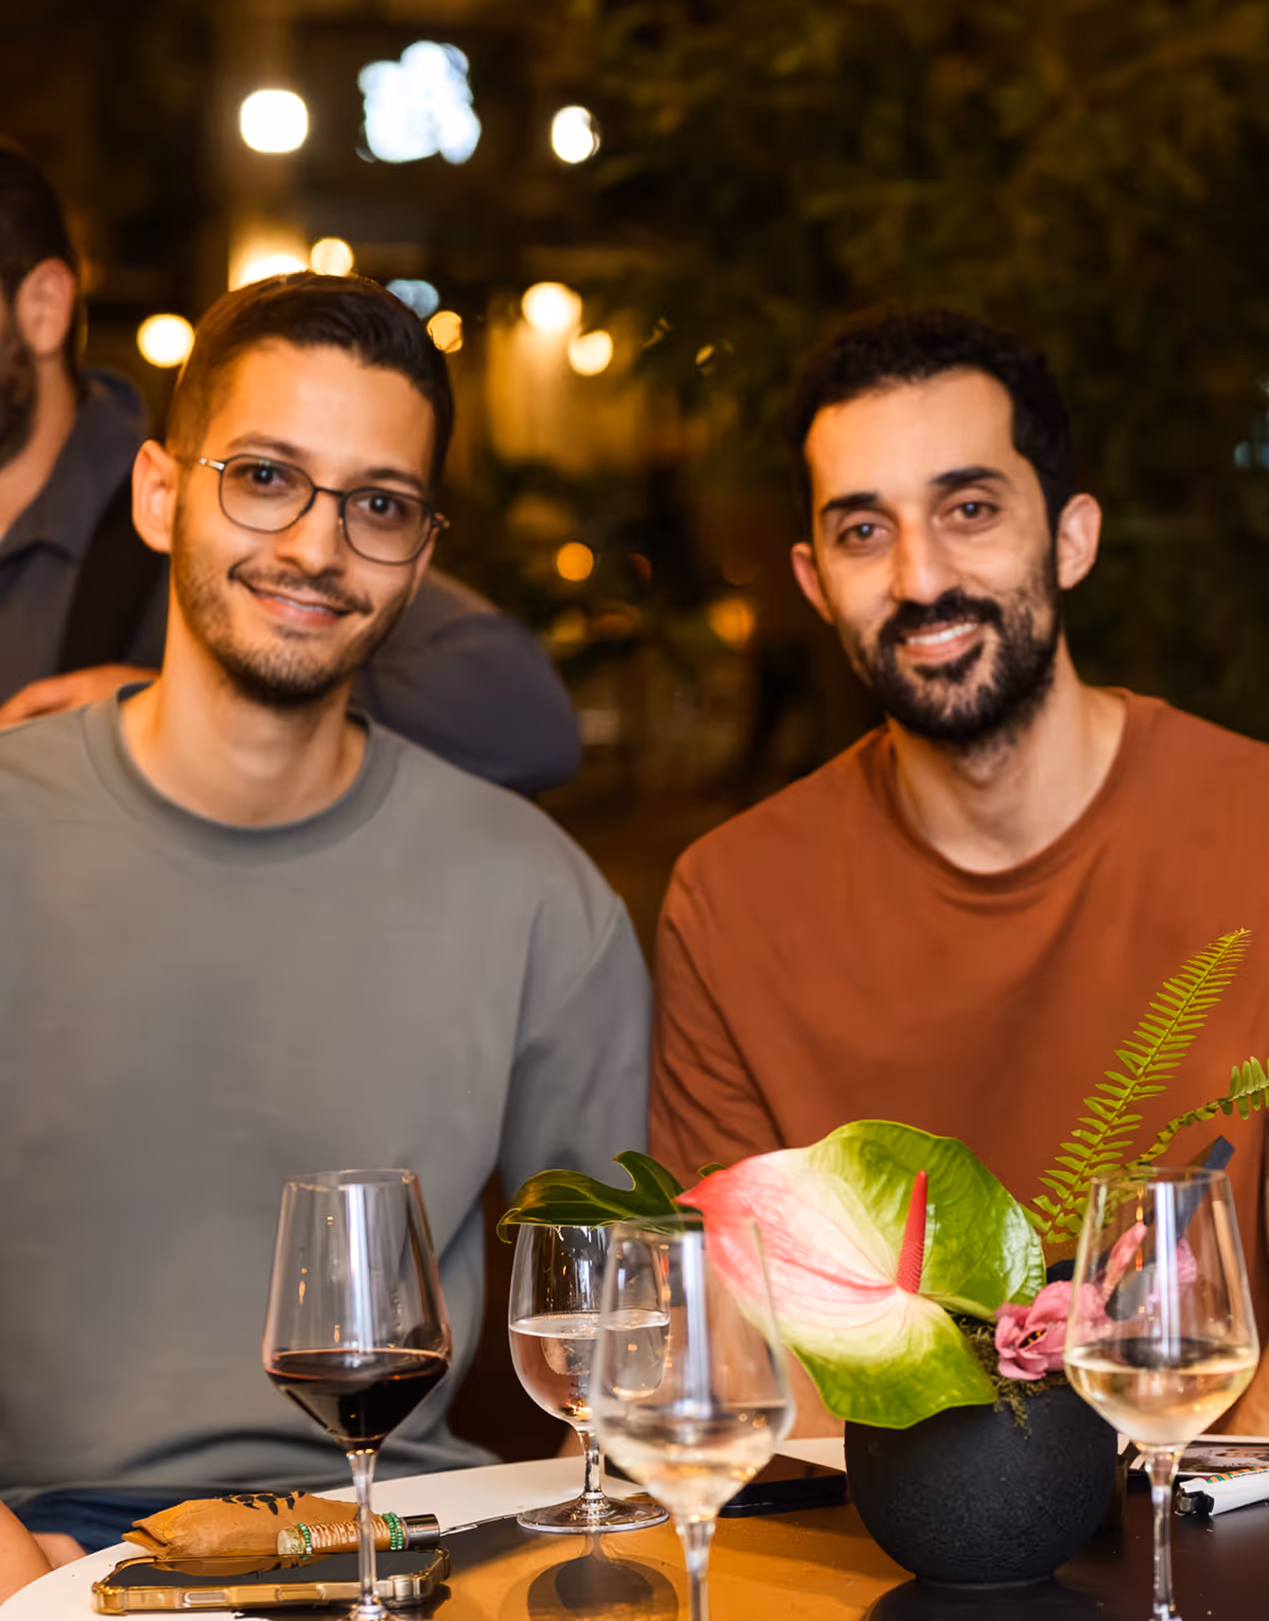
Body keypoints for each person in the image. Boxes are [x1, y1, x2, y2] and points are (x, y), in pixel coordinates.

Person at [0, 272, 649, 1554]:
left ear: (421, 559)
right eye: (263, 477)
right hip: (42, 1548)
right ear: (157, 492)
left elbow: (622, 1369)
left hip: (404, 1536)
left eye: (379, 505)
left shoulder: (541, 902)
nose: (315, 545)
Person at [649, 307, 1269, 1433]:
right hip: (851, 1564)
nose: (921, 575)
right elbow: (726, 1369)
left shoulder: (1255, 832)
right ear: (814, 580)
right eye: (862, 532)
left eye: (969, 509)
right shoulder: (731, 899)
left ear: (1071, 538)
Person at [0, 141, 580, 793]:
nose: (310, 548)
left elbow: (528, 723)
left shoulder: (218, 500)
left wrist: (187, 708)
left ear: (43, 306)